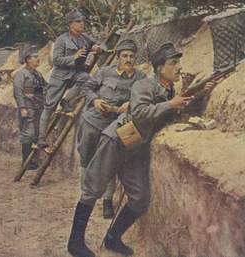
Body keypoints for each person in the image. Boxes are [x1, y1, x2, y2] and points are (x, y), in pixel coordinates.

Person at [67, 42, 193, 257]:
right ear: (160, 68)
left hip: (136, 148)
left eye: (177, 63)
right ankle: (75, 243)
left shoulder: (168, 89)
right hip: (116, 140)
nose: (178, 67)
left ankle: (113, 238)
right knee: (92, 189)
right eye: (173, 63)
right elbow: (141, 113)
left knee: (140, 198)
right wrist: (171, 105)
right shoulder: (144, 85)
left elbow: (161, 115)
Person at [77, 39, 146, 219]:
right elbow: (86, 87)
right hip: (93, 121)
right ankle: (85, 198)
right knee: (86, 158)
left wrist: (131, 104)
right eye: (124, 56)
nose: (128, 59)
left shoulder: (141, 78)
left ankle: (107, 201)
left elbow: (147, 97)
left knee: (110, 162)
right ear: (118, 57)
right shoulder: (104, 72)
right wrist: (95, 100)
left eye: (131, 56)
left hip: (116, 126)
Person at [36, 9, 101, 148]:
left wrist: (97, 48)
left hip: (75, 73)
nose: (82, 24)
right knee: (49, 106)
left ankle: (67, 100)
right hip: (60, 76)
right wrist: (74, 57)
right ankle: (41, 138)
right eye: (78, 21)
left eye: (82, 21)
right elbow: (56, 60)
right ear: (70, 24)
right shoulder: (62, 39)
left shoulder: (85, 38)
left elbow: (101, 45)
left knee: (87, 79)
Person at [13, 46, 46, 170]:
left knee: (36, 134)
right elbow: (18, 91)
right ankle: (26, 162)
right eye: (35, 57)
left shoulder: (37, 74)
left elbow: (45, 87)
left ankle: (32, 161)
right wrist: (22, 108)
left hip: (38, 107)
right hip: (28, 108)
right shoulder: (21, 74)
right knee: (29, 134)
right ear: (27, 59)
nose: (38, 59)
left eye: (38, 57)